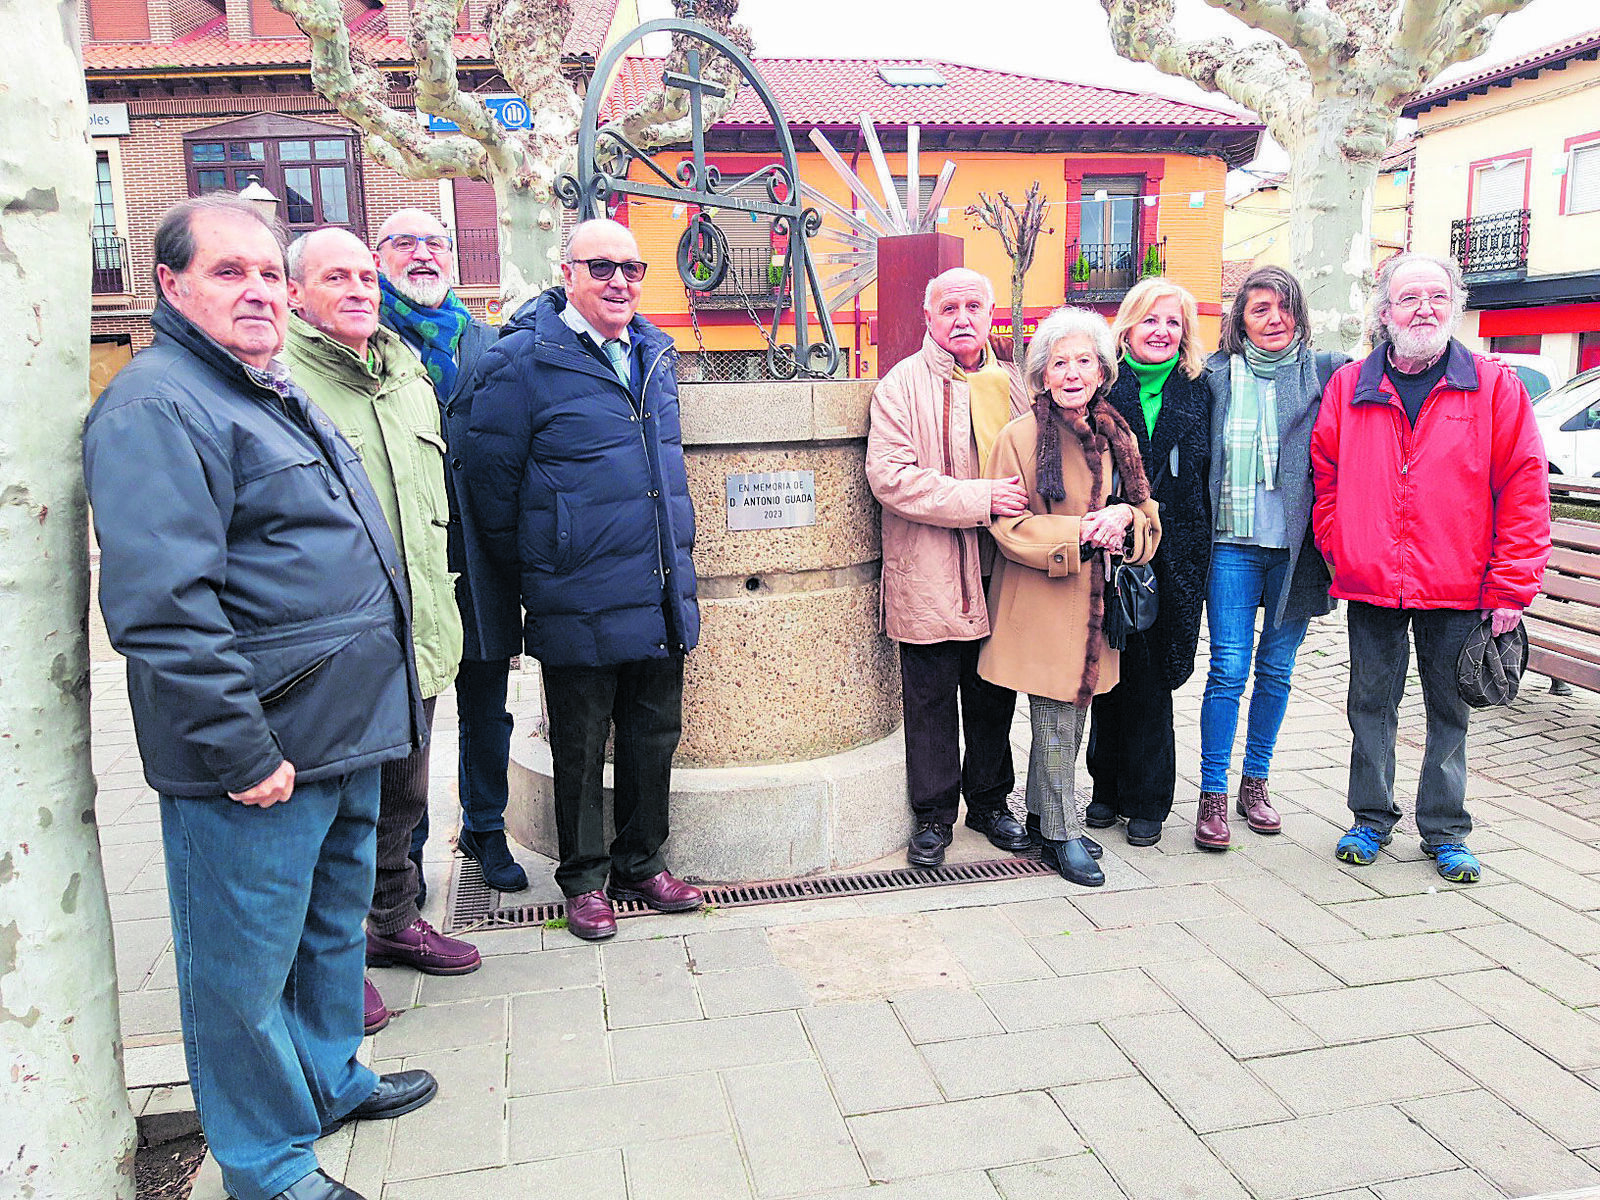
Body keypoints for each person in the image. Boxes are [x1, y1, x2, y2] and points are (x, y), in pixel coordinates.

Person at [83, 196, 435, 1200]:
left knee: (327, 935)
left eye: (270, 274)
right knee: (238, 978)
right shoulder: (159, 404)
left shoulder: (256, 388)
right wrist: (242, 752)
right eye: (230, 271)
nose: (259, 291)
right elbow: (161, 608)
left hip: (340, 734)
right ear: (171, 283)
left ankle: (329, 1081)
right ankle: (269, 1168)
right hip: (257, 761)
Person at [461, 218, 703, 941]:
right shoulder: (523, 361)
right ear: (566, 273)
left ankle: (640, 861)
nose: (619, 281)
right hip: (576, 593)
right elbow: (489, 485)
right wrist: (544, 562)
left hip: (657, 587)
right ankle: (584, 880)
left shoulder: (655, 354)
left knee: (652, 735)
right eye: (601, 267)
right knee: (579, 743)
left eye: (632, 268)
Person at [282, 227, 481, 1037]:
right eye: (338, 276)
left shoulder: (405, 375)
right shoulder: (280, 380)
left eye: (367, 275)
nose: (361, 288)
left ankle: (392, 920)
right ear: (296, 293)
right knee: (331, 812)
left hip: (420, 635)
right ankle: (325, 959)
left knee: (402, 797)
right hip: (336, 648)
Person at [1312, 252, 1550, 883]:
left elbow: (1524, 490)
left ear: (1454, 307)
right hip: (1372, 582)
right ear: (1384, 311)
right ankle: (1369, 817)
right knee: (1369, 703)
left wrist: (1511, 587)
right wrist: (1341, 543)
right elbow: (1326, 478)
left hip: (1459, 582)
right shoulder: (1350, 386)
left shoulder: (1495, 386)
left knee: (1450, 708)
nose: (1424, 309)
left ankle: (1445, 830)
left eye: (1437, 298)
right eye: (1409, 298)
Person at [375, 208, 530, 898]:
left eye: (434, 241)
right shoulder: (364, 342)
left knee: (487, 707)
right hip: (402, 564)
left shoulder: (491, 344)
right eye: (404, 242)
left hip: (482, 556)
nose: (422, 254)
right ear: (381, 256)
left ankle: (485, 828)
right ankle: (403, 849)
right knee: (409, 716)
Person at [979, 307, 1161, 885]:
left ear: (1103, 369)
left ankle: (1039, 820)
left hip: (1096, 605)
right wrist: (1079, 532)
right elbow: (1007, 527)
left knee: (1067, 718)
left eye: (1084, 360)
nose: (1073, 372)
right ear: (1041, 374)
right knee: (1058, 719)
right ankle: (1060, 833)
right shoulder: (1020, 437)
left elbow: (1147, 515)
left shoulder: (1117, 433)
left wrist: (1123, 520)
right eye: (1060, 362)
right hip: (1041, 605)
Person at [865, 267, 1031, 868]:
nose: (963, 319)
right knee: (931, 698)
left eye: (973, 307)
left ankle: (989, 803)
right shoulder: (900, 386)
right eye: (949, 308)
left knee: (993, 693)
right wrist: (980, 499)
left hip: (1003, 567)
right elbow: (891, 477)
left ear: (991, 316)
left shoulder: (1012, 383)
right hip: (931, 571)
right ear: (929, 319)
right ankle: (934, 815)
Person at [1194, 266, 1341, 851]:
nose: (1273, 318)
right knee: (1228, 670)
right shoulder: (1215, 376)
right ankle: (1211, 792)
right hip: (1231, 546)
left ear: (1298, 314)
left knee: (1276, 671)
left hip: (1296, 551)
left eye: (1283, 307)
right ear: (1241, 321)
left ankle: (1255, 783)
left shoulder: (1325, 373)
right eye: (1259, 309)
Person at [1084, 278, 1212, 848]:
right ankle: (1104, 789)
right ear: (1128, 328)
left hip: (1176, 554)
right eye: (1150, 321)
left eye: (1173, 323)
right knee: (1110, 671)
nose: (1161, 332)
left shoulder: (1201, 390)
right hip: (1113, 548)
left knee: (1154, 680)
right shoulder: (1103, 390)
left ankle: (1148, 799)